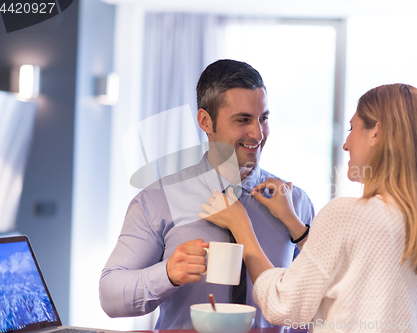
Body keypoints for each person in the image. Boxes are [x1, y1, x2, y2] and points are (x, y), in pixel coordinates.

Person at [201, 83, 417, 332]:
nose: (346, 144)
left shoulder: (347, 214)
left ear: (376, 132)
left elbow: (282, 305)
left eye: (352, 128)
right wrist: (295, 224)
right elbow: (349, 265)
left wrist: (241, 227)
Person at [99, 59, 314, 329]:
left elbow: (314, 304)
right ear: (205, 121)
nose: (258, 133)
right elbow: (109, 294)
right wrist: (166, 274)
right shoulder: (157, 200)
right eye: (243, 120)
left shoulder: (296, 204)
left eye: (263, 118)